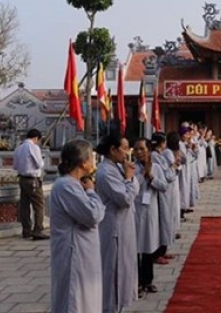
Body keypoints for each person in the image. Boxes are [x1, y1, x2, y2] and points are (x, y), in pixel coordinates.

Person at [49, 138, 105, 313]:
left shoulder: (74, 184)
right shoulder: (66, 186)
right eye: (92, 157)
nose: (94, 161)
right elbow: (92, 215)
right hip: (75, 252)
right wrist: (91, 192)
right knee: (75, 300)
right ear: (83, 162)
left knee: (86, 298)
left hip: (83, 250)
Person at [95, 133, 139, 313]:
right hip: (114, 228)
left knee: (125, 269)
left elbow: (136, 186)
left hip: (125, 225)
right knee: (113, 273)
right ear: (112, 150)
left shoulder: (118, 167)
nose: (127, 152)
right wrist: (129, 179)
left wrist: (130, 178)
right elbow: (125, 198)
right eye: (124, 148)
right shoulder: (105, 172)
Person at [134, 138, 169, 296]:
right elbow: (132, 187)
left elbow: (164, 186)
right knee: (135, 250)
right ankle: (136, 283)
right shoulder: (131, 168)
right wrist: (143, 175)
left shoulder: (157, 167)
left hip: (150, 211)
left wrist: (152, 178)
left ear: (148, 150)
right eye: (136, 149)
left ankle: (148, 281)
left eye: (142, 149)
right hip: (135, 210)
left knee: (148, 247)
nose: (139, 152)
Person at [13, 128, 48, 240]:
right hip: (33, 180)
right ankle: (38, 230)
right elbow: (39, 164)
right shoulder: (33, 147)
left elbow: (15, 166)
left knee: (24, 206)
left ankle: (26, 230)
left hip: (22, 179)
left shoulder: (18, 148)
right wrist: (42, 159)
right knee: (39, 205)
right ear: (36, 138)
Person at [154, 132, 181, 263]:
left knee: (166, 220)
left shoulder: (159, 155)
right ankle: (157, 253)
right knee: (161, 222)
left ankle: (163, 250)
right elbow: (168, 175)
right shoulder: (156, 156)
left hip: (166, 191)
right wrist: (174, 166)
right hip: (161, 192)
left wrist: (174, 166)